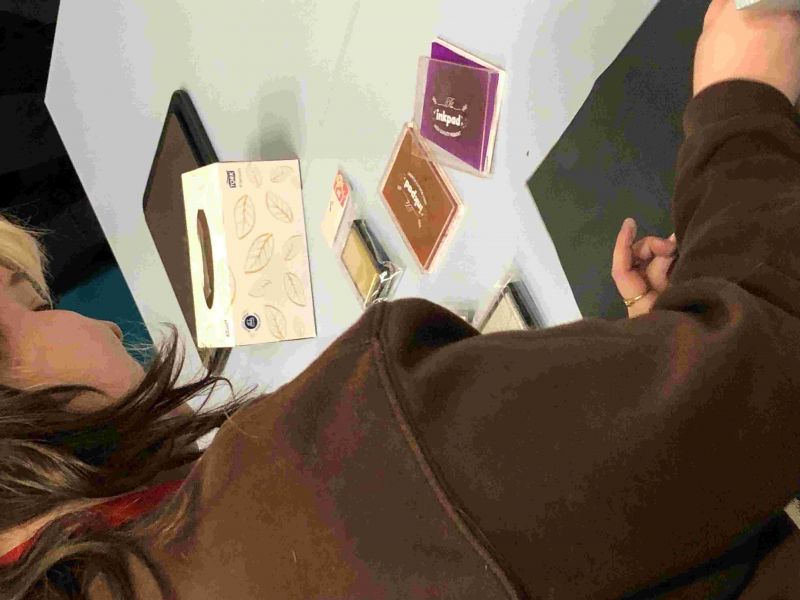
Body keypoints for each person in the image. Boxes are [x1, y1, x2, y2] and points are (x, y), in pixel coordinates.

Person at [2, 0, 800, 597]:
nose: (93, 314)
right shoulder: (341, 465)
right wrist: (745, 95)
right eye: (34, 304)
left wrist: (632, 379)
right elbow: (774, 362)